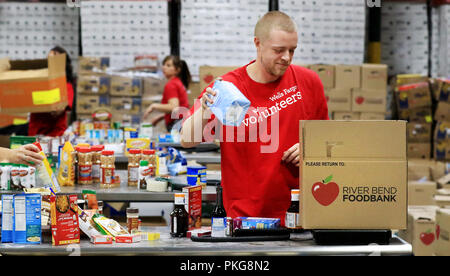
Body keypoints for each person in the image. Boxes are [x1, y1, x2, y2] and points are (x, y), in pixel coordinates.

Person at [180, 11, 329, 226]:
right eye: (278, 50)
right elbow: (187, 139)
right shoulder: (228, 89)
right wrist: (204, 111)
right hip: (243, 220)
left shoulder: (309, 82)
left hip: (298, 216)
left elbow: (329, 140)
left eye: (292, 50)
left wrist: (311, 146)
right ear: (257, 43)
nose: (286, 57)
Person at [28, 46, 75, 137]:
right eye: (49, 58)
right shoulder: (37, 82)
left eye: (55, 59)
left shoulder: (66, 86)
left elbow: (59, 110)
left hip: (55, 135)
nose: (51, 61)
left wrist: (54, 107)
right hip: (35, 132)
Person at [143, 55, 191, 132]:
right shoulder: (178, 83)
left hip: (177, 124)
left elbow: (174, 107)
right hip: (183, 123)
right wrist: (162, 117)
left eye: (168, 65)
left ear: (177, 70)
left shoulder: (171, 85)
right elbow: (180, 108)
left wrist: (153, 106)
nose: (164, 67)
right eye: (164, 65)